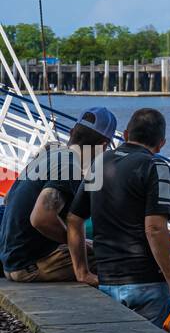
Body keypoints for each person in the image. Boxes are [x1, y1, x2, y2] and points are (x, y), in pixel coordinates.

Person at [65, 108, 170, 333]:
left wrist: (81, 271)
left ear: (124, 134)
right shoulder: (156, 167)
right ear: (161, 143)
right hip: (147, 283)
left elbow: (74, 219)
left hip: (107, 281)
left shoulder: (100, 164)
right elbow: (154, 228)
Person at [0, 107, 115, 283]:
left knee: (91, 246)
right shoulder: (71, 167)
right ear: (104, 146)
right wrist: (75, 243)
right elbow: (40, 218)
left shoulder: (50, 152)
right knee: (116, 258)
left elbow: (8, 199)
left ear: (71, 132)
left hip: (11, 260)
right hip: (27, 267)